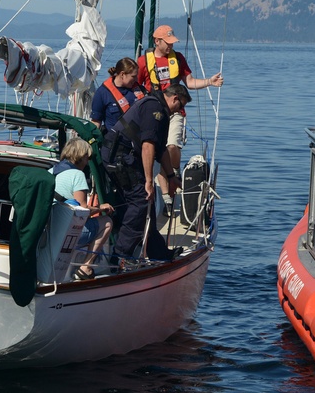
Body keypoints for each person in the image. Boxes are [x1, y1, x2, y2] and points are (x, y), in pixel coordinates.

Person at [102, 82, 191, 262]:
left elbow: (162, 150)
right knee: (141, 201)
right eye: (180, 106)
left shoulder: (161, 110)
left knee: (147, 204)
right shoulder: (155, 109)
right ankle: (119, 257)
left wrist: (172, 177)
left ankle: (159, 253)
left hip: (125, 157)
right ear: (174, 98)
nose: (179, 111)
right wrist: (149, 182)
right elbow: (148, 146)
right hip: (120, 157)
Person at [137, 24, 223, 203]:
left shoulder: (178, 58)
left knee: (172, 145)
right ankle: (166, 194)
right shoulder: (144, 61)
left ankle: (173, 171)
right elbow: (136, 86)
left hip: (175, 111)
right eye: (167, 43)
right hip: (153, 112)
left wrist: (209, 82)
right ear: (157, 41)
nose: (170, 46)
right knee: (155, 149)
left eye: (172, 42)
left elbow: (189, 82)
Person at [50, 138, 115, 281]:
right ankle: (86, 267)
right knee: (107, 222)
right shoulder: (77, 175)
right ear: (80, 155)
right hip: (67, 233)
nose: (87, 162)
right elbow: (82, 211)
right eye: (87, 157)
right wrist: (100, 208)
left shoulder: (51, 171)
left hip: (50, 229)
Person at [90, 57, 146, 133]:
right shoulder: (102, 93)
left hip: (138, 140)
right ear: (122, 74)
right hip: (116, 141)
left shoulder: (140, 90)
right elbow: (96, 122)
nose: (137, 79)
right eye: (133, 76)